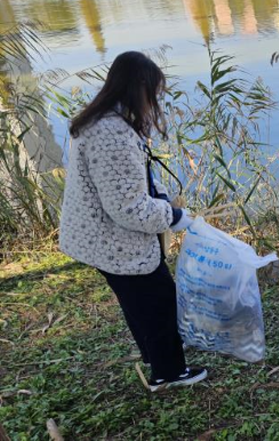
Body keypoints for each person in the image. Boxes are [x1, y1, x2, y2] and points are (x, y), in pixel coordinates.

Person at [59, 51, 207, 392]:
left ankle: (155, 354)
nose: (155, 100)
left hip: (100, 239)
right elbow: (127, 208)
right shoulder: (111, 133)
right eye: (154, 92)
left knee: (138, 302)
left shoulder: (105, 120)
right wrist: (175, 216)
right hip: (115, 242)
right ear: (139, 87)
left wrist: (163, 199)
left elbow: (132, 181)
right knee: (158, 302)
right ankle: (168, 374)